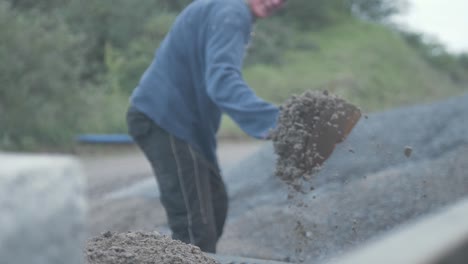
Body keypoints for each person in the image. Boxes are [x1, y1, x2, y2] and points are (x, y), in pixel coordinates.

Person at [126, 0, 286, 253]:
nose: (276, 1)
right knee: (194, 230)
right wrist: (282, 123)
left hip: (187, 127)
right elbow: (222, 82)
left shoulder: (224, 8)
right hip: (165, 119)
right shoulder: (232, 12)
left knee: (215, 207)